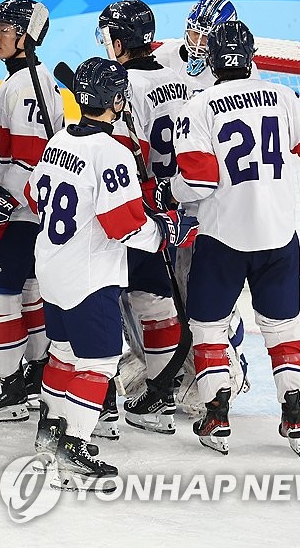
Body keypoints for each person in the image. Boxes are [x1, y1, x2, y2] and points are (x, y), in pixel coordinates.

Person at [25, 56, 195, 491]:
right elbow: (125, 226)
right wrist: (165, 230)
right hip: (89, 275)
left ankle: (51, 433)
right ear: (117, 100)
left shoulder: (58, 141)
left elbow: (32, 191)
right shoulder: (112, 151)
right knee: (99, 362)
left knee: (62, 355)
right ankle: (74, 448)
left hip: (52, 269)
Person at [169, 19, 300, 456]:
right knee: (281, 328)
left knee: (207, 327)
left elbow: (200, 181)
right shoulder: (280, 95)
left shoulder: (200, 104)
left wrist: (172, 191)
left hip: (223, 238)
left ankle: (217, 413)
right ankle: (293, 407)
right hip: (279, 236)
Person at [96, 0, 192, 437]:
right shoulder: (177, 79)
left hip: (135, 202)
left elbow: (115, 146)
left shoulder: (120, 83)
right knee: (157, 298)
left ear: (119, 42)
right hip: (177, 204)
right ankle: (162, 393)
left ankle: (98, 397)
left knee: (101, 295)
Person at [0, 0, 64, 422]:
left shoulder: (22, 87)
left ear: (27, 36)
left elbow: (30, 157)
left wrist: (0, 204)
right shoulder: (32, 79)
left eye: (7, 28)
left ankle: (8, 384)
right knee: (29, 294)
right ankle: (37, 375)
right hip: (33, 212)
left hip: (20, 213)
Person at [154, 0, 253, 403]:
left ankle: (229, 366)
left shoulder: (240, 80)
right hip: (176, 193)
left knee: (209, 293)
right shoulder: (166, 57)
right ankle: (177, 365)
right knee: (169, 288)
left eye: (204, 36)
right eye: (192, 32)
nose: (195, 43)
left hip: (214, 204)